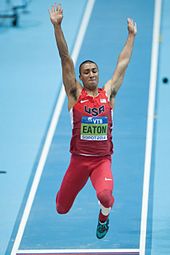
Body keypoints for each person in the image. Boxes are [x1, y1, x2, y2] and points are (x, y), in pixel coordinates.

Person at [49, 3, 137, 239]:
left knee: (106, 196)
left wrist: (131, 36)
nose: (91, 74)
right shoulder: (74, 94)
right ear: (80, 77)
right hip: (78, 161)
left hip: (101, 161)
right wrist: (57, 27)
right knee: (61, 208)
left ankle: (103, 218)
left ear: (98, 74)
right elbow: (65, 58)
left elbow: (123, 63)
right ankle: (65, 199)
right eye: (86, 72)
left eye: (94, 71)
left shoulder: (108, 94)